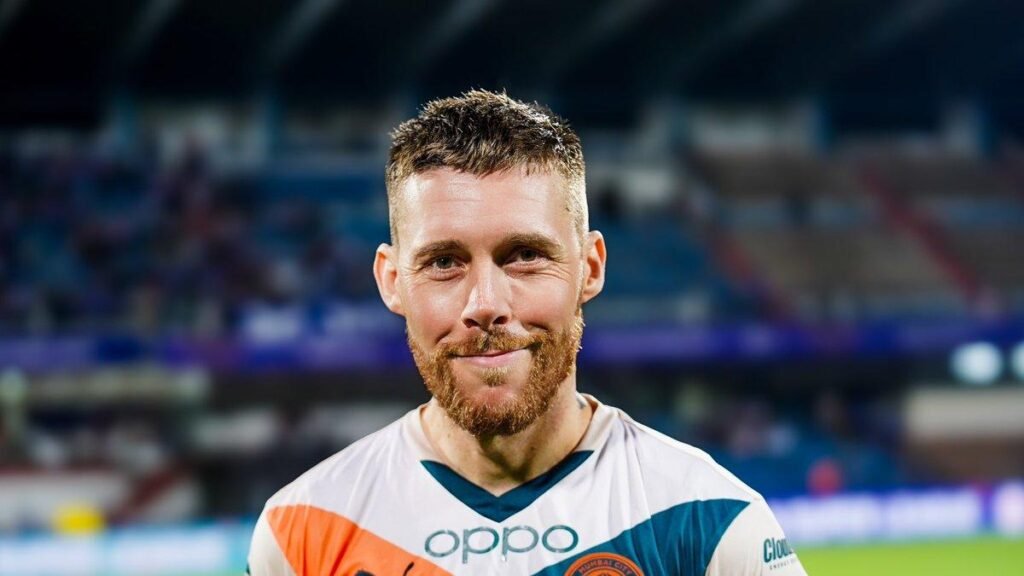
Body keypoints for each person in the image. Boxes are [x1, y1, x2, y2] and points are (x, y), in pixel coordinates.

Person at [247, 90, 806, 576]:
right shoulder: (301, 534)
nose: (485, 305)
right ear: (392, 282)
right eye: (444, 262)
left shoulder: (708, 521)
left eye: (524, 256)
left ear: (590, 267)